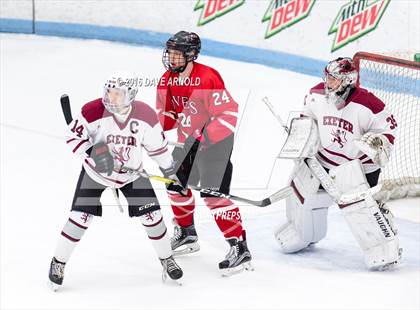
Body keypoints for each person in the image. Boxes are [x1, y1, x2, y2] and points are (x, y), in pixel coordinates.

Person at [48, 72, 185, 290]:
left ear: (130, 95)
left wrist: (170, 173)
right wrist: (92, 151)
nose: (111, 98)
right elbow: (72, 136)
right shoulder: (92, 111)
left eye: (118, 94)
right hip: (95, 174)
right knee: (79, 218)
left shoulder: (146, 117)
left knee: (153, 216)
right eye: (109, 92)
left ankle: (166, 259)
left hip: (131, 175)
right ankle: (58, 262)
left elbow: (157, 150)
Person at [274, 57, 401, 270]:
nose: (328, 82)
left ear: (347, 80)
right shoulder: (316, 95)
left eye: (333, 78)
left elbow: (388, 131)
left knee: (359, 210)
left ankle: (383, 246)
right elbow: (308, 117)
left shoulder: (369, 104)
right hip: (322, 159)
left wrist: (377, 142)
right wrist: (301, 134)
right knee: (301, 194)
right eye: (327, 77)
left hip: (356, 167)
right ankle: (301, 232)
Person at [155, 31, 252, 275]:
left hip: (216, 144)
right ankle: (187, 233)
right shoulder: (166, 79)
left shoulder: (208, 77)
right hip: (186, 144)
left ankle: (239, 247)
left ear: (191, 56)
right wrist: (149, 127)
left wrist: (204, 136)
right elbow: (165, 118)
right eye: (171, 53)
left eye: (177, 54)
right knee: (175, 186)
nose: (171, 58)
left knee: (213, 196)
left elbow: (228, 114)